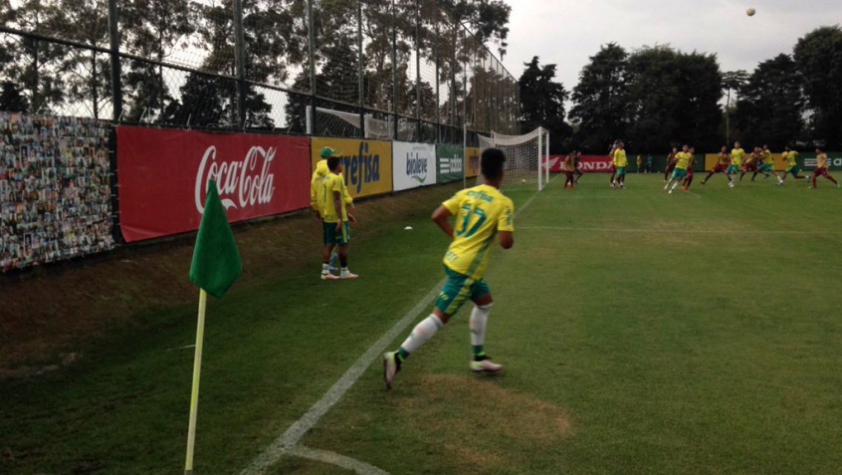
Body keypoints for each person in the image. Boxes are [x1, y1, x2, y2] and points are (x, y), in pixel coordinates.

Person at [383, 148, 515, 389]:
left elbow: (437, 215)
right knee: (439, 317)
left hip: (455, 259)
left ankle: (478, 358)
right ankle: (397, 357)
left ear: (481, 170)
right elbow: (506, 243)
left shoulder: (467, 193)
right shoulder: (503, 203)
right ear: (502, 173)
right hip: (467, 269)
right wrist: (503, 230)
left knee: (485, 303)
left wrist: (457, 237)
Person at [311, 147, 354, 274]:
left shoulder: (319, 176)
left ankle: (326, 271)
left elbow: (317, 195)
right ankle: (344, 271)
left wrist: (317, 209)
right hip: (336, 216)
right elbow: (337, 198)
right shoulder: (336, 178)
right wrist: (343, 214)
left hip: (326, 214)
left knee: (329, 243)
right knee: (343, 243)